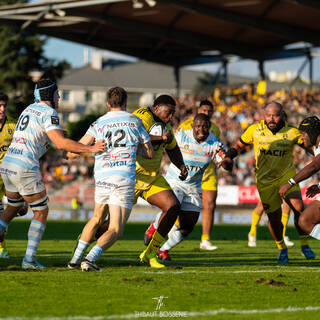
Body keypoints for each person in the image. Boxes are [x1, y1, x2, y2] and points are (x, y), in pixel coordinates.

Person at [0, 79, 105, 270]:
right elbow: (61, 144)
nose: (59, 97)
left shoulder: (29, 109)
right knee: (41, 211)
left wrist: (57, 136)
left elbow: (34, 137)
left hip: (8, 164)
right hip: (24, 166)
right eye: (57, 94)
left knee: (13, 208)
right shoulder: (49, 113)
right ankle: (29, 259)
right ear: (49, 95)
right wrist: (91, 148)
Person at [67, 87, 153, 271]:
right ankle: (90, 258)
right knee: (115, 229)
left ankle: (74, 260)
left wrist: (75, 151)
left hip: (103, 178)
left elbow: (75, 150)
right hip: (122, 178)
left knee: (97, 218)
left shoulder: (98, 123)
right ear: (125, 103)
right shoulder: (135, 121)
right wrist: (132, 148)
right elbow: (149, 153)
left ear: (108, 104)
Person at [222, 101, 315, 264]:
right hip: (265, 181)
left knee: (299, 208)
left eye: (276, 115)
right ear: (264, 114)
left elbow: (311, 149)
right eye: (268, 115)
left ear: (282, 114)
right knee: (274, 219)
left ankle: (305, 245)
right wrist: (229, 157)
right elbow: (238, 146)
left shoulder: (292, 132)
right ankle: (282, 248)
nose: (272, 118)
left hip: (287, 177)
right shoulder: (254, 130)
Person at [151, 114, 232, 261]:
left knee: (187, 228)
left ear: (209, 127)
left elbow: (228, 166)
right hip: (175, 182)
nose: (201, 129)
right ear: (193, 126)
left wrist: (225, 161)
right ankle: (154, 228)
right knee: (172, 208)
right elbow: (163, 148)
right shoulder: (181, 137)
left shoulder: (215, 143)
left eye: (205, 126)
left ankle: (163, 250)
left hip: (194, 187)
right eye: (198, 126)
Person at [135, 95, 188, 268]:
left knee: (173, 206)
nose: (171, 116)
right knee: (110, 226)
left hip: (152, 178)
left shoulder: (166, 126)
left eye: (173, 113)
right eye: (169, 112)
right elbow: (136, 136)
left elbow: (172, 148)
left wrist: (181, 165)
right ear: (157, 108)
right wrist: (162, 139)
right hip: (131, 177)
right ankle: (85, 245)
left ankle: (150, 253)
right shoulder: (143, 115)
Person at [175, 100, 221, 250]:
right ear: (198, 110)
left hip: (207, 173)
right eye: (204, 110)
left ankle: (205, 239)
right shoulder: (186, 125)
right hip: (188, 173)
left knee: (210, 205)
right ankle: (173, 229)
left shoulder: (215, 129)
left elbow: (217, 151)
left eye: (209, 111)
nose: (206, 113)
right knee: (177, 205)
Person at [279, 116, 320, 239]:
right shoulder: (317, 147)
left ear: (312, 133)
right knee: (305, 221)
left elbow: (315, 165)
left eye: (303, 134)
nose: (301, 137)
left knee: (305, 221)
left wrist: (290, 182)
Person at [0, 93, 28, 258]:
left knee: (22, 209)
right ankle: (2, 248)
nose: (2, 109)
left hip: (10, 174)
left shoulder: (13, 125)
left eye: (4, 106)